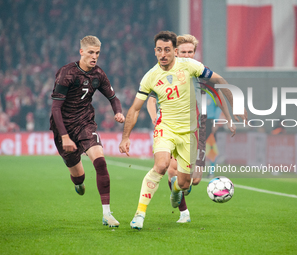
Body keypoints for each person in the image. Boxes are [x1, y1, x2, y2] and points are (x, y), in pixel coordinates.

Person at [119, 31, 238, 230]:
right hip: (166, 128)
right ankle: (139, 214)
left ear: (174, 51)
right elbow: (135, 108)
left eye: (167, 50)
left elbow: (218, 82)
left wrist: (235, 107)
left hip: (191, 132)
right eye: (159, 50)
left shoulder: (190, 67)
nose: (163, 54)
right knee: (162, 165)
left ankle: (175, 188)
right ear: (155, 51)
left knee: (186, 183)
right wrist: (126, 137)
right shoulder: (150, 76)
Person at [50, 35, 125, 228]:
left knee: (100, 162)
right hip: (64, 128)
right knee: (79, 177)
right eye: (91, 52)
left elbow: (113, 97)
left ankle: (107, 214)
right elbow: (56, 108)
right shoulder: (67, 73)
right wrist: (65, 137)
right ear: (81, 51)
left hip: (85, 124)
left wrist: (118, 112)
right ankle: (78, 182)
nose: (94, 57)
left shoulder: (98, 74)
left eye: (97, 53)